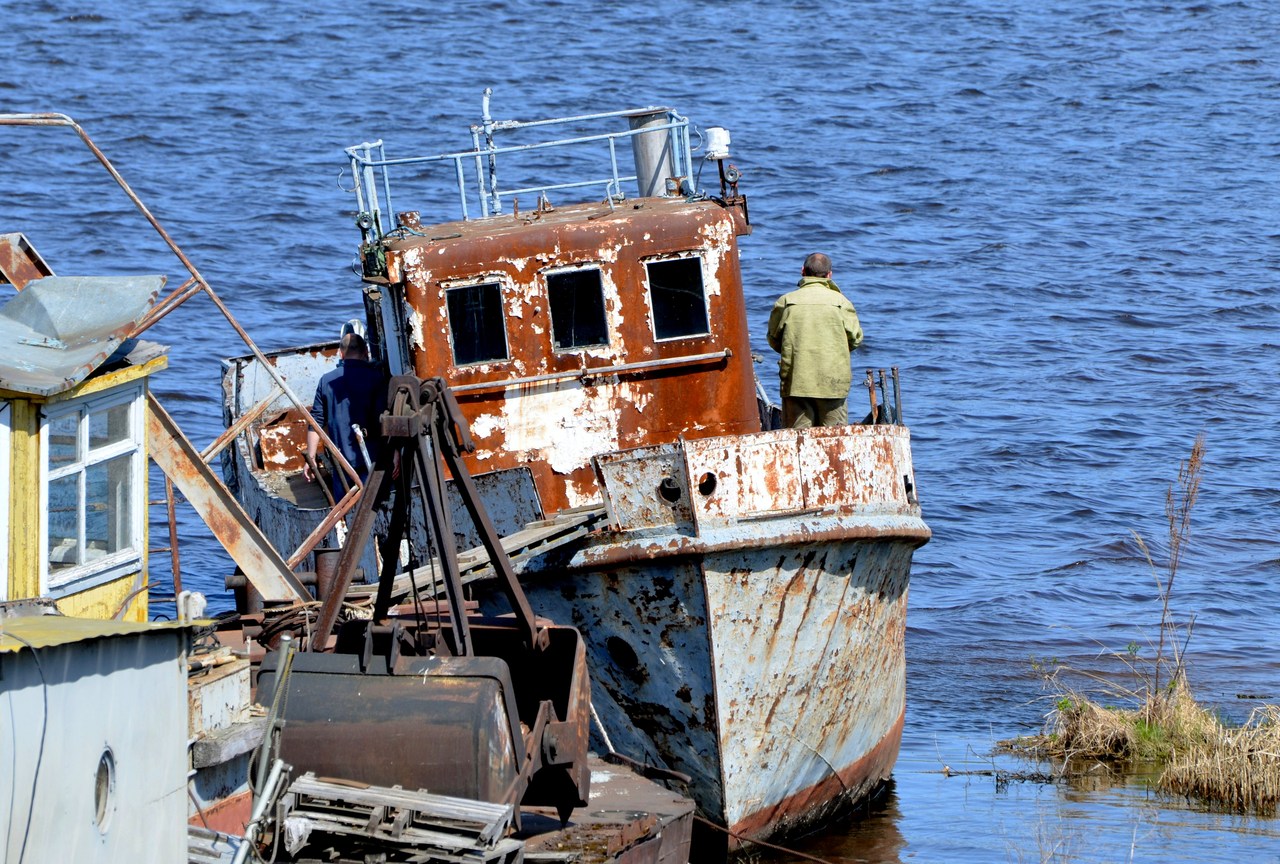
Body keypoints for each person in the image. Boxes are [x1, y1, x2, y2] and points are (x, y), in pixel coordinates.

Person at [766, 252, 864, 429]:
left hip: (796, 382)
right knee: (834, 440)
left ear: (802, 271)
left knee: (798, 441)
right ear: (829, 275)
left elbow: (773, 339)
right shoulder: (842, 302)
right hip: (833, 383)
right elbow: (856, 339)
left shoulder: (786, 301)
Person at [303, 330, 387, 496]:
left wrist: (311, 459)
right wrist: (395, 453)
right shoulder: (377, 378)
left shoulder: (327, 381)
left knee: (346, 510)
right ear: (366, 352)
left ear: (340, 354)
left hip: (342, 464)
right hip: (374, 461)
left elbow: (316, 423)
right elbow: (383, 419)